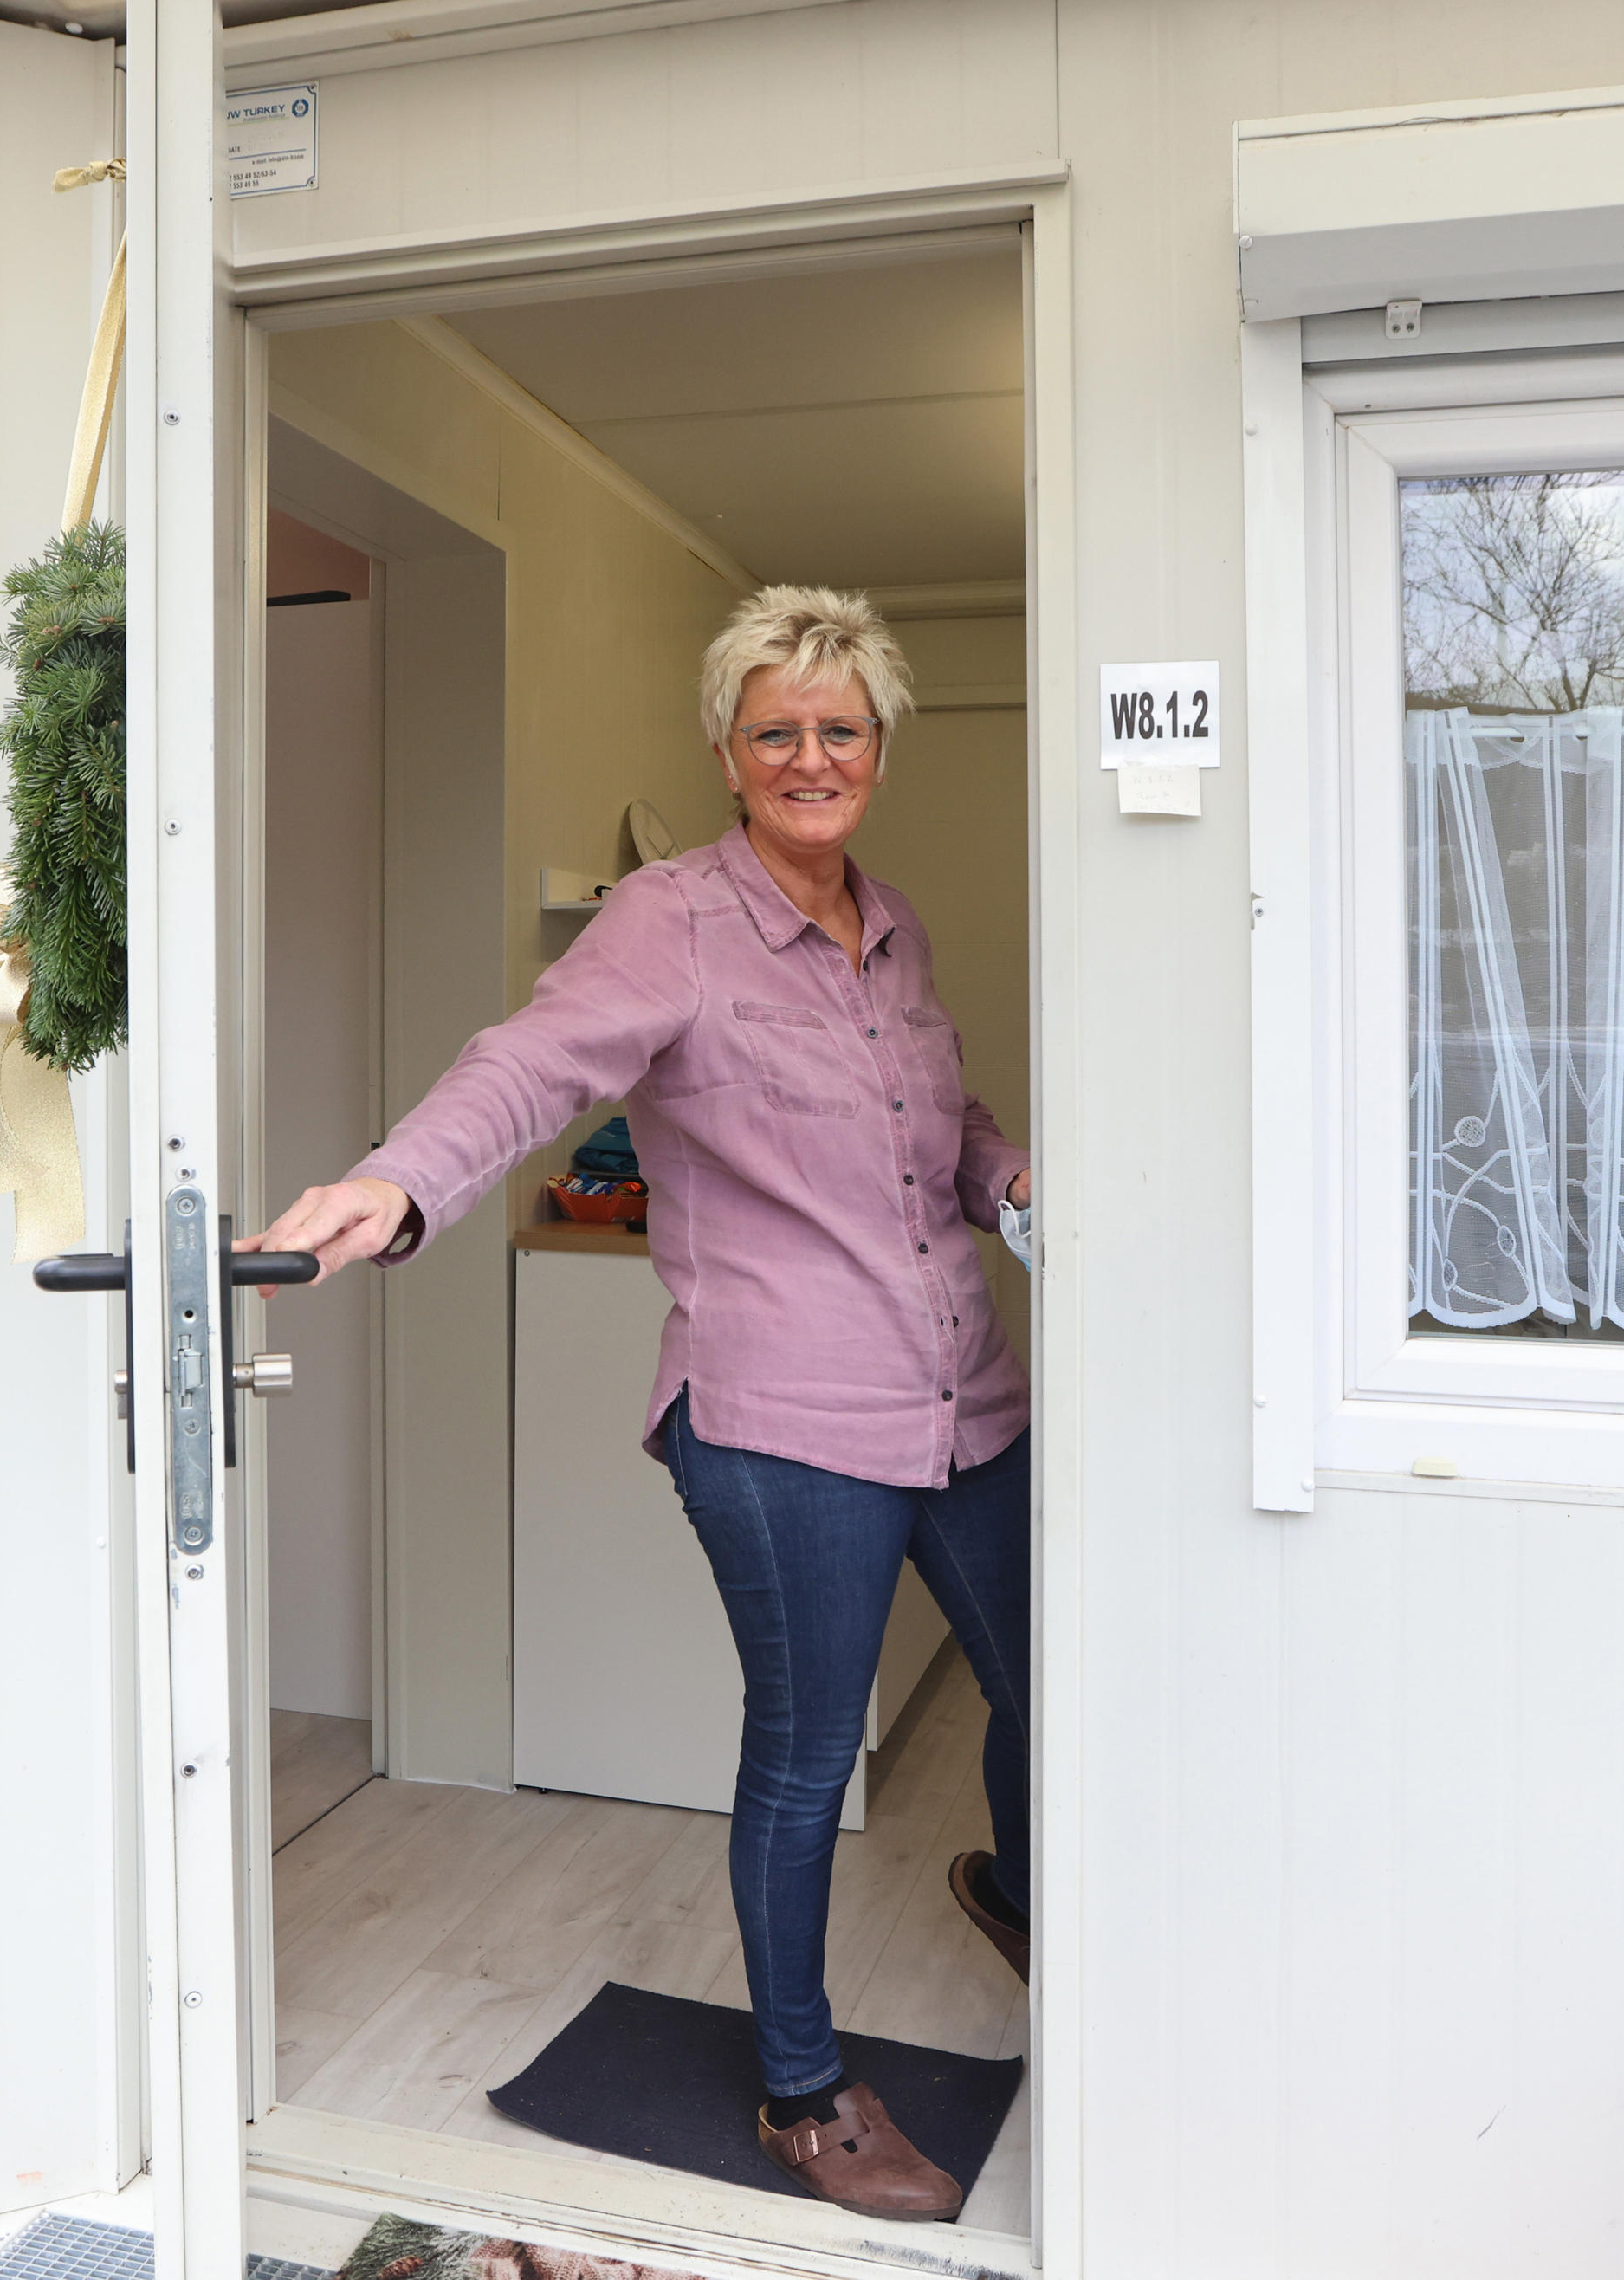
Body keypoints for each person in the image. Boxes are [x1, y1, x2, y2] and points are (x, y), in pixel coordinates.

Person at [243, 586, 1032, 2224]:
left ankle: (1018, 1888)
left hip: (961, 1391)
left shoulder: (898, 931)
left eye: (840, 728)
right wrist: (399, 1185)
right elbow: (529, 1065)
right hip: (779, 1415)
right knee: (808, 1755)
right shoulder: (671, 918)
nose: (811, 755)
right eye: (776, 731)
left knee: (1052, 1681)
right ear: (731, 755)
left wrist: (1013, 1169)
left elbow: (936, 1126)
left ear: (878, 749)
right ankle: (804, 2095)